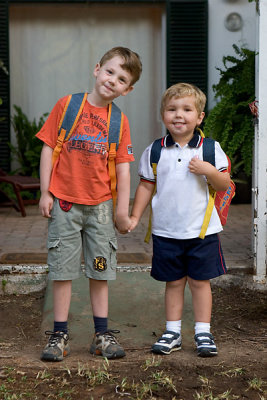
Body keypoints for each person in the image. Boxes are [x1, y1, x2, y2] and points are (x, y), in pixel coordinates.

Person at [36, 46, 142, 361]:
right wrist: (46, 192)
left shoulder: (118, 121)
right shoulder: (67, 106)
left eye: (121, 79)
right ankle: (59, 334)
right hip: (65, 207)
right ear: (97, 69)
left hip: (99, 212)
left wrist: (121, 212)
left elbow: (123, 170)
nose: (112, 80)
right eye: (110, 71)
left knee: (100, 268)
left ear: (128, 89)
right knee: (63, 270)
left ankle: (102, 335)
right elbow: (47, 148)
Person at [129, 83, 230, 357]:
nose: (178, 115)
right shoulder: (155, 150)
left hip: (202, 232)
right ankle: (172, 331)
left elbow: (224, 184)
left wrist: (208, 170)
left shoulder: (210, 149)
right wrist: (135, 216)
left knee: (200, 282)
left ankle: (202, 332)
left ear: (199, 117)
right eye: (172, 109)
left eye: (187, 109)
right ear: (163, 114)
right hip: (166, 231)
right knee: (173, 282)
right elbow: (146, 186)